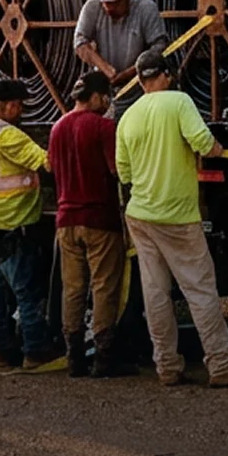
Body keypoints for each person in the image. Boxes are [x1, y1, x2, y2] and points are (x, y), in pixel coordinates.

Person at [115, 48, 228, 389]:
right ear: (166, 75)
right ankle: (222, 363)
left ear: (139, 80)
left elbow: (123, 171)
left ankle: (167, 366)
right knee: (199, 289)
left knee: (156, 293)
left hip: (140, 215)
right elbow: (201, 141)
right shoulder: (179, 102)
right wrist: (217, 149)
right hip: (176, 216)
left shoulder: (128, 116)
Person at [0, 78, 64, 373]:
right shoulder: (9, 136)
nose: (22, 109)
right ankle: (35, 351)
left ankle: (1, 349)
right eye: (18, 104)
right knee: (27, 290)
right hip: (14, 222)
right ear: (2, 105)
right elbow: (48, 162)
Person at [47, 73, 132, 378]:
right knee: (103, 288)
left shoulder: (57, 128)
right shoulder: (103, 127)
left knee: (73, 289)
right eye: (105, 96)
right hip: (100, 221)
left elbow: (53, 167)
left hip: (66, 221)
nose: (108, 102)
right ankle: (105, 359)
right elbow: (117, 170)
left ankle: (74, 359)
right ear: (95, 97)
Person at [74, 0, 168, 88]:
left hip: (139, 86)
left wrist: (130, 73)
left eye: (116, 3)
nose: (109, 8)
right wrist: (106, 69)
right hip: (105, 88)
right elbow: (80, 42)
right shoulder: (92, 7)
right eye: (105, 3)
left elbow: (160, 47)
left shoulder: (146, 9)